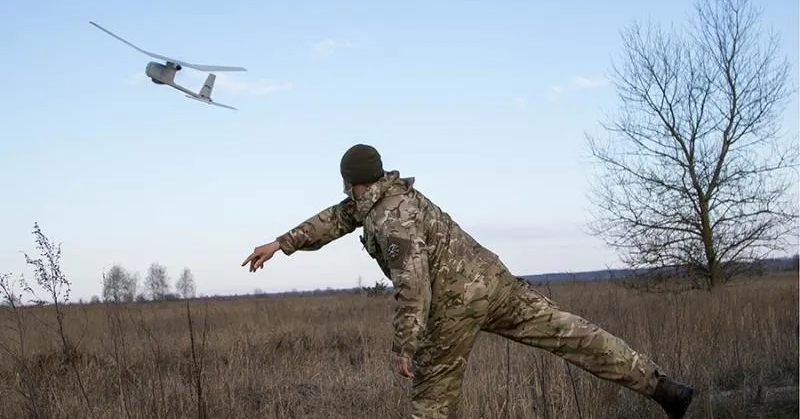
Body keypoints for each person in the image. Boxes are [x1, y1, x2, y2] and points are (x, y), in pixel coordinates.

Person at [241, 144, 695, 419]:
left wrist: (405, 344)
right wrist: (281, 243)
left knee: (430, 402)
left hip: (455, 304)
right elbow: (336, 220)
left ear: (353, 183)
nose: (345, 194)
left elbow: (413, 286)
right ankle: (662, 388)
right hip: (494, 283)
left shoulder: (389, 220)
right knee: (572, 334)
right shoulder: (390, 196)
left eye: (345, 185)